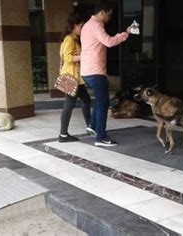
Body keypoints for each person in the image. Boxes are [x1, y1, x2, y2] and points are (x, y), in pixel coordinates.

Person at [80, 0, 133, 147]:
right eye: (109, 15)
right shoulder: (96, 25)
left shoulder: (86, 25)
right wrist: (125, 34)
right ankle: (101, 137)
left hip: (87, 70)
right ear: (102, 12)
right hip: (95, 71)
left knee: (99, 100)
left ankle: (92, 125)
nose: (110, 18)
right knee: (103, 103)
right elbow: (109, 42)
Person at [58, 13, 95, 143]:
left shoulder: (72, 39)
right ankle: (63, 134)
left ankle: (90, 127)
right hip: (71, 78)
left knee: (85, 101)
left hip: (75, 79)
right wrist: (84, 56)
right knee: (71, 104)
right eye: (81, 26)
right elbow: (67, 58)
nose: (82, 29)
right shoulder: (69, 39)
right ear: (74, 25)